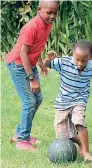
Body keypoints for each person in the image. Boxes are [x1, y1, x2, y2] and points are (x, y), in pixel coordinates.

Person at [6, 0, 59, 150]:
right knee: (29, 102)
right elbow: (23, 53)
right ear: (39, 10)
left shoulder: (47, 24)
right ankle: (22, 141)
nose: (53, 16)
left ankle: (19, 133)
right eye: (49, 12)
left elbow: (37, 46)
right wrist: (32, 78)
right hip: (18, 65)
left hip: (29, 63)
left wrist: (41, 64)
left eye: (55, 12)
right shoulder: (31, 27)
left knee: (38, 99)